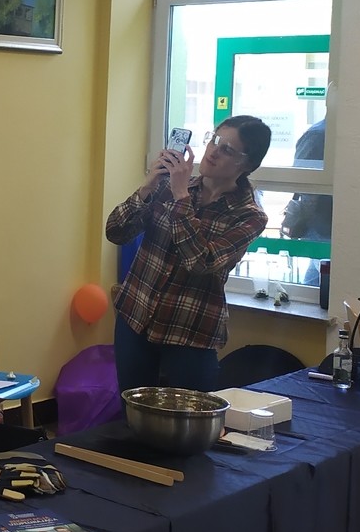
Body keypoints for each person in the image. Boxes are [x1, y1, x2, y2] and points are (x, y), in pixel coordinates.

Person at [104, 116, 271, 393]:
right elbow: (115, 232)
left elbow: (201, 262)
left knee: (187, 417)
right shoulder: (167, 186)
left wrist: (181, 196)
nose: (213, 151)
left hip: (189, 333)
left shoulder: (249, 216)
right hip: (135, 317)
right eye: (214, 140)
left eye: (227, 149)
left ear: (247, 165)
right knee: (132, 412)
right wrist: (148, 187)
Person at [281, 119, 332, 285]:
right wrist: (303, 220)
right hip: (322, 226)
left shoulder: (325, 133)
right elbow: (302, 181)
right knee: (321, 283)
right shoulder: (318, 134)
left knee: (316, 284)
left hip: (324, 226)